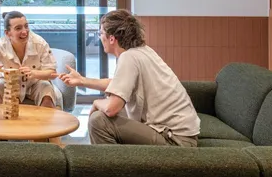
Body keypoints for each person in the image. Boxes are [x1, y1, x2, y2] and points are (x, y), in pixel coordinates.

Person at [58, 9, 199, 146]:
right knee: (117, 111)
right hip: (182, 134)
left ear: (112, 38)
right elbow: (119, 84)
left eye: (101, 33)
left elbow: (111, 108)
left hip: (175, 140)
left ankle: (113, 162)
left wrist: (96, 103)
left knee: (98, 120)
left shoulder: (129, 57)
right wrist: (82, 81)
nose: (100, 37)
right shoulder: (142, 51)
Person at [0, 11, 62, 108]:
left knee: (47, 89)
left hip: (35, 83)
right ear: (7, 33)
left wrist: (34, 73)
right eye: (18, 28)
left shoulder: (40, 43)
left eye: (26, 26)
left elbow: (52, 73)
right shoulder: (0, 45)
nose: (25, 32)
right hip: (9, 83)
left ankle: (46, 118)